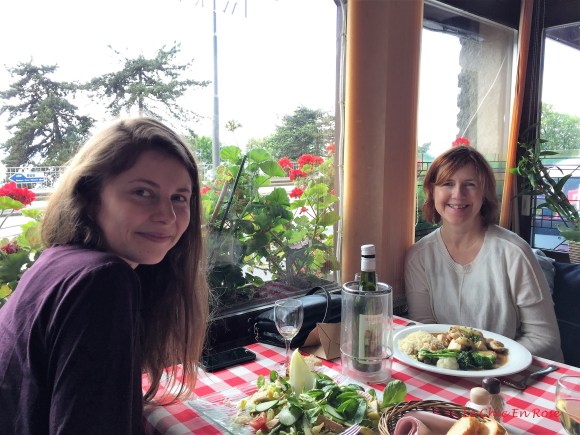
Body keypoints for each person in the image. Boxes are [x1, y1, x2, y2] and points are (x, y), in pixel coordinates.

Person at [0, 117, 210, 433]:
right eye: (143, 192)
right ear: (90, 195)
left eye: (179, 197)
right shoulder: (103, 281)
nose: (167, 216)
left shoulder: (59, 260)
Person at [405, 145, 563, 362]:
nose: (458, 194)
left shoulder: (514, 252)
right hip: (446, 370)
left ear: (484, 193)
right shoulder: (419, 257)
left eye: (470, 184)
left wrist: (484, 363)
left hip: (514, 374)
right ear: (432, 191)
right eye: (447, 184)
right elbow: (424, 330)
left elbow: (545, 339)